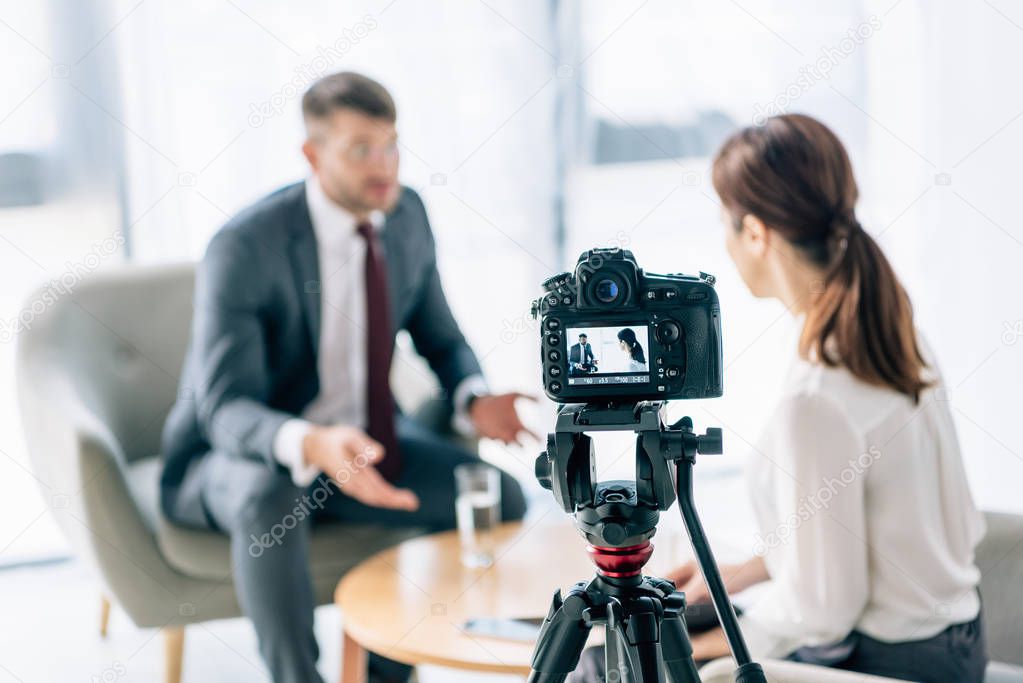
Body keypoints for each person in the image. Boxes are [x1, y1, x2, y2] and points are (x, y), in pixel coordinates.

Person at [572, 114, 986, 683]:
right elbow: (877, 534)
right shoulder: (892, 331)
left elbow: (823, 613)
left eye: (726, 222)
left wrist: (706, 648)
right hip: (955, 643)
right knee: (667, 626)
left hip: (886, 666)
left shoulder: (817, 398)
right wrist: (740, 572)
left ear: (758, 233)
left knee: (604, 665)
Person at [159, 72, 533, 683]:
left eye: (391, 145)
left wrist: (474, 398)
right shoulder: (247, 246)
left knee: (499, 495)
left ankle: (387, 672)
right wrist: (310, 443)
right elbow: (224, 407)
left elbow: (441, 338)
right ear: (313, 154)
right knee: (269, 496)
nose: (383, 165)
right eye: (361, 149)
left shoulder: (406, 214)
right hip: (241, 457)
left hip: (366, 445)